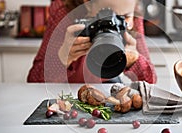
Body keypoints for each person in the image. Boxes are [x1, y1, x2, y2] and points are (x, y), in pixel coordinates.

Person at [27, 0, 157, 83]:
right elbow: (34, 80)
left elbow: (151, 79)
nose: (114, 23)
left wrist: (134, 60)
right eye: (106, 15)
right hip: (67, 90)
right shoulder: (64, 11)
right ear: (88, 3)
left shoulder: (131, 19)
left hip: (108, 85)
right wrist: (63, 56)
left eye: (125, 16)